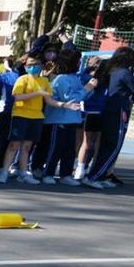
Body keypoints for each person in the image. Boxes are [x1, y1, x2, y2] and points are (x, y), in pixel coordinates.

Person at [0, 53, 82, 184]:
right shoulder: (23, 79)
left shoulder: (44, 81)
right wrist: (37, 93)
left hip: (36, 116)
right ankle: (4, 171)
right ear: (25, 67)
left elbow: (49, 100)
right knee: (14, 144)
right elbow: (17, 97)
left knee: (27, 146)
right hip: (20, 115)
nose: (33, 67)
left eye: (36, 64)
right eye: (30, 65)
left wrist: (65, 105)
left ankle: (23, 172)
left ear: (42, 66)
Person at [85, 46, 134, 188]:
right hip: (118, 111)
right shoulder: (124, 72)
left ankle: (100, 175)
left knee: (105, 144)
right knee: (113, 145)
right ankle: (95, 176)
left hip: (108, 109)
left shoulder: (112, 70)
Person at [40, 49, 91, 186]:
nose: (80, 62)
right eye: (77, 60)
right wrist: (87, 88)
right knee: (56, 147)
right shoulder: (61, 79)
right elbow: (70, 98)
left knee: (69, 149)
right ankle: (48, 173)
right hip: (59, 120)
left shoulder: (74, 77)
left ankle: (66, 174)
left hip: (72, 119)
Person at [0, 57, 22, 179]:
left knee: (10, 141)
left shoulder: (26, 77)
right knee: (2, 140)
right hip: (7, 112)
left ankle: (3, 167)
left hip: (21, 114)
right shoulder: (6, 77)